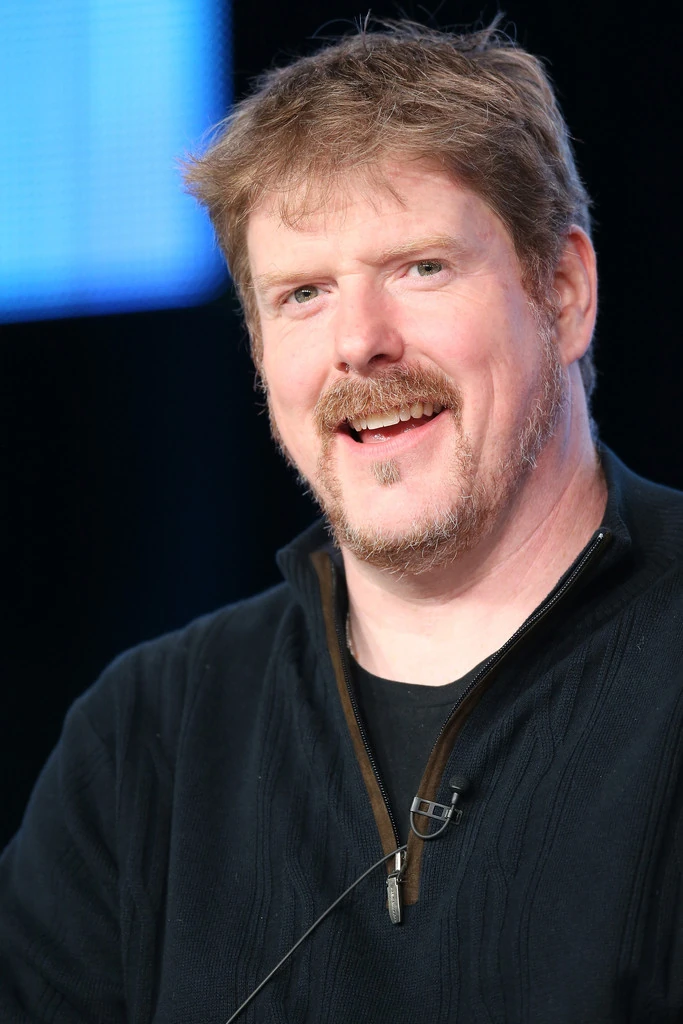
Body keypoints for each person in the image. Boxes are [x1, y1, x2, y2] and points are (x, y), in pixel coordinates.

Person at [2, 19, 682, 1024]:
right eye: (303, 294)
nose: (359, 343)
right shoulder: (147, 737)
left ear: (563, 293)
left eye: (419, 267)